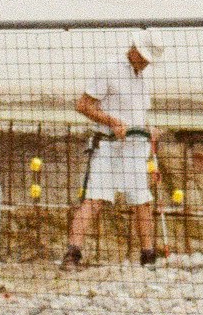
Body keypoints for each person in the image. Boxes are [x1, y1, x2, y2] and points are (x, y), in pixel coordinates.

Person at [64, 30, 166, 267]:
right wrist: (112, 122)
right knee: (94, 199)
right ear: (134, 49)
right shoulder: (109, 68)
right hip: (108, 145)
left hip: (135, 147)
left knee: (142, 200)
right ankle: (72, 254)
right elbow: (83, 105)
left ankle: (148, 256)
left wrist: (149, 130)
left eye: (149, 60)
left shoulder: (143, 78)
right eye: (144, 57)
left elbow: (138, 115)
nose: (146, 63)